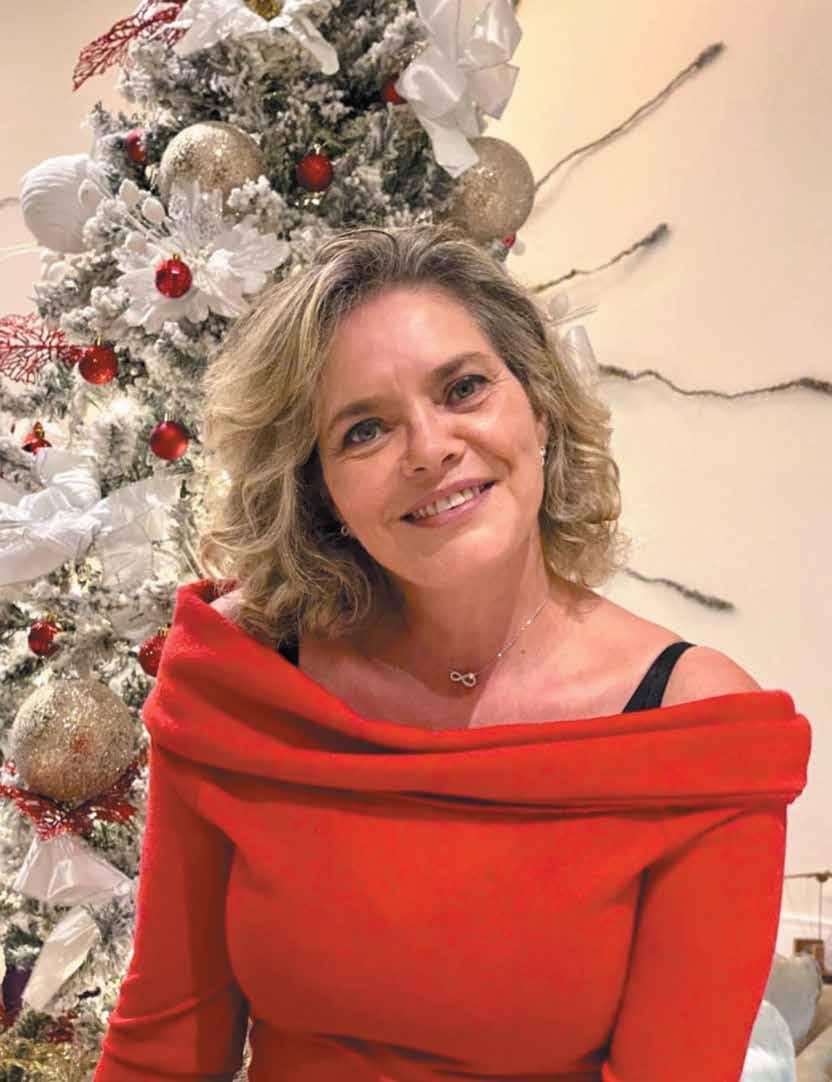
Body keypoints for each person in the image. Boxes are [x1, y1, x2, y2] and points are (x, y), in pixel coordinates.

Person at [93, 223, 811, 1082]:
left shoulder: (695, 725)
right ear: (319, 490)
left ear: (539, 407)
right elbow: (165, 1047)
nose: (430, 449)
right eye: (364, 430)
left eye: (464, 388)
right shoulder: (242, 677)